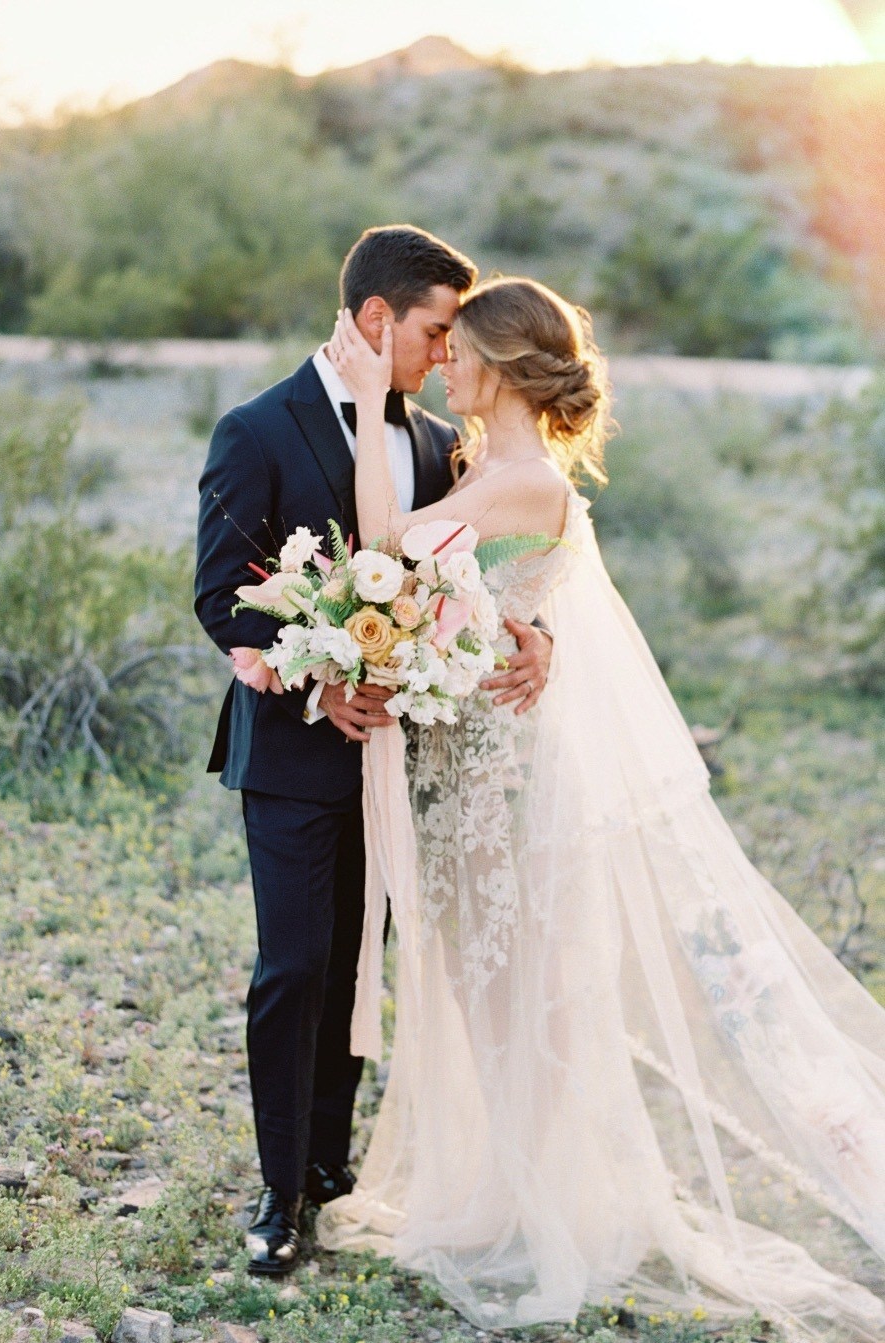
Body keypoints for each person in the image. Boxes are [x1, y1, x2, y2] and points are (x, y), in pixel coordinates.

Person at [317, 276, 885, 1339]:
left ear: (500, 364)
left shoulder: (525, 480)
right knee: (486, 984)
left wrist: (363, 406)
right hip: (460, 762)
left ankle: (548, 1214)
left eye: (459, 350)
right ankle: (509, 1192)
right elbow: (485, 602)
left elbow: (386, 546)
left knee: (516, 986)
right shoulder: (490, 468)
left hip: (500, 775)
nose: (445, 363)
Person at [194, 228, 553, 1275]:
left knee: (362, 962)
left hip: (413, 756)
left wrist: (539, 641)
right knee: (296, 962)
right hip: (297, 753)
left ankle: (328, 1168)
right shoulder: (256, 427)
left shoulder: (443, 443)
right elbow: (223, 595)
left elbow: (487, 573)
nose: (448, 354)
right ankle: (276, 1188)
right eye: (436, 330)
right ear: (373, 319)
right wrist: (324, 673)